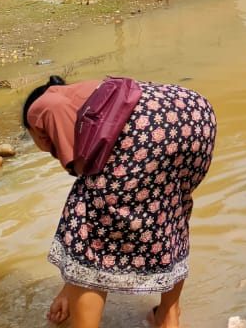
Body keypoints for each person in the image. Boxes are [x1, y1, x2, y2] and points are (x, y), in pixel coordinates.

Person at [23, 76, 217, 328]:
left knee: (85, 214)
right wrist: (67, 290)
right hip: (196, 115)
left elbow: (83, 171)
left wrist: (73, 286)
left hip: (151, 131)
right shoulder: (90, 94)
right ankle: (168, 316)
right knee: (170, 213)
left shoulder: (41, 106)